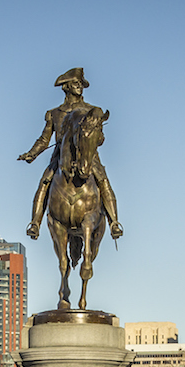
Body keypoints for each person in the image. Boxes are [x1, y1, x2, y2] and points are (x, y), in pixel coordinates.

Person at [18, 68, 122, 240]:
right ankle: (35, 223)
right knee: (45, 182)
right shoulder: (55, 113)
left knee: (103, 180)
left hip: (88, 156)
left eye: (81, 84)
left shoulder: (92, 110)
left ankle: (114, 222)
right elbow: (44, 139)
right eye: (75, 83)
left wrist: (94, 136)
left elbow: (100, 139)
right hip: (61, 158)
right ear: (66, 87)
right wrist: (31, 154)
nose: (79, 87)